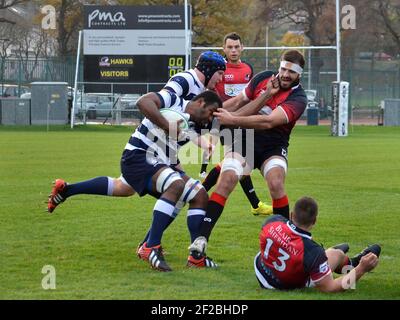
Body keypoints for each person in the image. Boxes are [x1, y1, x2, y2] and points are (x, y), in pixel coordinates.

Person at [47, 90, 222, 271]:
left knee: (198, 194)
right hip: (138, 156)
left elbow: (168, 147)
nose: (210, 119)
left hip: (158, 161)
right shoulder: (173, 97)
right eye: (211, 111)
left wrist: (180, 169)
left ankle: (196, 257)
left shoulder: (194, 124)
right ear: (201, 101)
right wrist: (168, 128)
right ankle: (150, 246)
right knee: (174, 185)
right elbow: (143, 102)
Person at [189, 50, 308, 263]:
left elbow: (269, 122)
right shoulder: (263, 78)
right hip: (245, 141)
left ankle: (281, 242)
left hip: (273, 146)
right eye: (283, 69)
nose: (285, 74)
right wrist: (213, 113)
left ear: (299, 75)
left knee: (276, 182)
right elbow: (238, 101)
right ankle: (200, 241)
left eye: (291, 72)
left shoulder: (299, 98)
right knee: (227, 179)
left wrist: (232, 120)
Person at [200, 32, 272, 216]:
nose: (233, 50)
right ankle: (255, 205)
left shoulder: (248, 68)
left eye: (236, 47)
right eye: (229, 47)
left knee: (237, 162)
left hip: (245, 120)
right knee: (239, 160)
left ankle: (199, 191)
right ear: (223, 49)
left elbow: (252, 93)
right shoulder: (219, 69)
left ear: (242, 48)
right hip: (226, 120)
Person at [254, 196, 381, 291]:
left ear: (291, 215)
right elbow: (329, 288)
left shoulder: (272, 221)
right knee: (335, 254)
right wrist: (362, 269)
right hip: (284, 285)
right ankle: (353, 265)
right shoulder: (312, 251)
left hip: (261, 270)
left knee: (329, 254)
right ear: (314, 221)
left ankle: (346, 261)